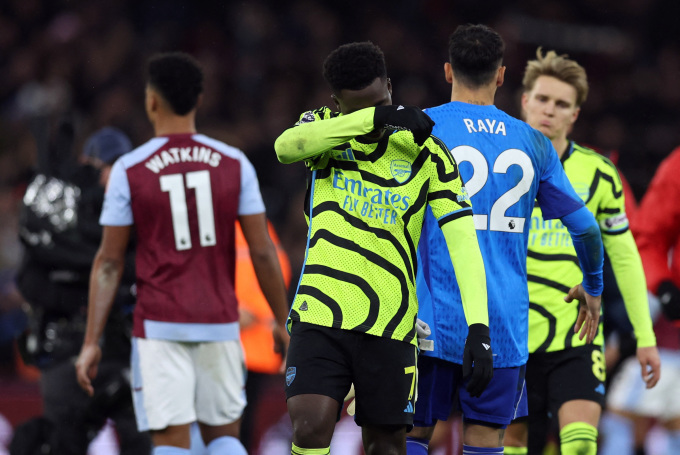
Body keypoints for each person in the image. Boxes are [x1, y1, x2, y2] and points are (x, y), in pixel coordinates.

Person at [274, 41, 491, 455]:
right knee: (309, 425)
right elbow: (285, 148)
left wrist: (478, 327)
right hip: (322, 313)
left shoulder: (426, 150)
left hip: (390, 324)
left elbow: (463, 242)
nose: (378, 117)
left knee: (388, 447)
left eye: (383, 101)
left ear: (390, 85)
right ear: (336, 104)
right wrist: (372, 117)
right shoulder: (320, 130)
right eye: (359, 109)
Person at [74, 52, 291, 455]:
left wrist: (91, 341)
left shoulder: (129, 169)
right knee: (225, 439)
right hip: (221, 325)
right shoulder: (235, 163)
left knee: (171, 444)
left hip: (160, 328)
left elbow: (108, 261)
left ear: (151, 101)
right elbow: (262, 251)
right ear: (200, 100)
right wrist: (280, 320)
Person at [405, 25, 605, 455]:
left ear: (447, 71)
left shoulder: (422, 128)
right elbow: (587, 228)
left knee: (413, 436)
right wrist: (593, 286)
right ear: (501, 76)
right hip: (502, 327)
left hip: (428, 320)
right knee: (487, 440)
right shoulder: (533, 142)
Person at [503, 48, 660, 455]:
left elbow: (625, 256)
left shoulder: (600, 174)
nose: (549, 111)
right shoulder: (496, 165)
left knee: (579, 444)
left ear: (575, 114)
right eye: (542, 99)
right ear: (524, 101)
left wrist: (645, 337)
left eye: (562, 104)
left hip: (577, 332)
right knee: (514, 445)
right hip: (509, 332)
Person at [12, 123, 151, 454]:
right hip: (65, 349)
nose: (111, 177)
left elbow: (140, 271)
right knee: (63, 441)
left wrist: (94, 280)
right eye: (107, 167)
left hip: (122, 349)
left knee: (142, 441)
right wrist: (87, 295)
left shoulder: (137, 215)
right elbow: (28, 280)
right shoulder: (59, 214)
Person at [599, 145, 680, 455]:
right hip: (663, 348)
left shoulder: (659, 244)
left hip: (660, 350)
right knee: (670, 426)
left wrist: (618, 346)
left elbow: (650, 299)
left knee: (621, 419)